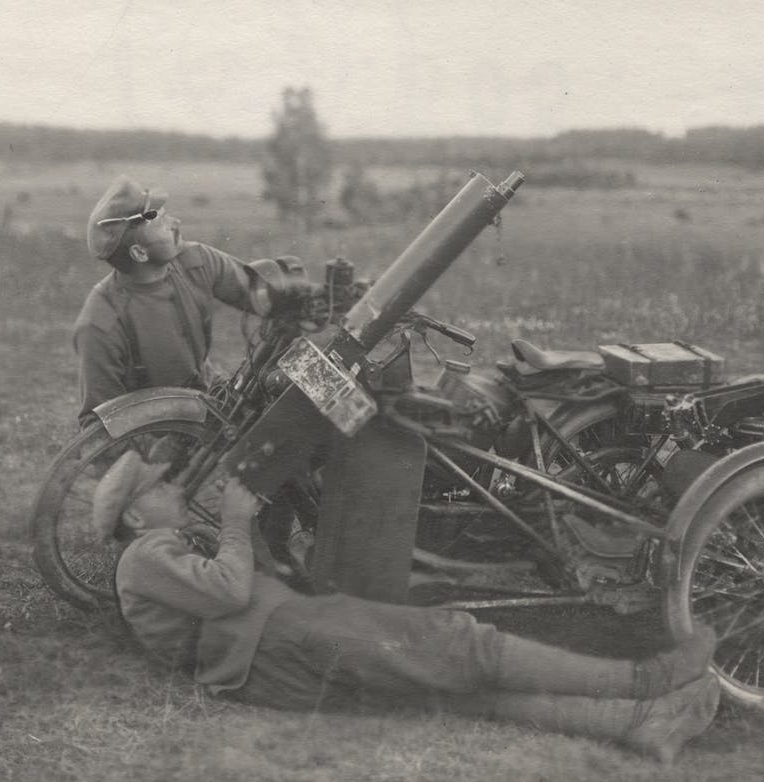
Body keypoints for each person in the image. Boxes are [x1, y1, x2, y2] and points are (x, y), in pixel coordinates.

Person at [92, 450, 722, 764]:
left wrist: (256, 531)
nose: (173, 486)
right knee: (456, 645)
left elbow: (248, 578)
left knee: (448, 691)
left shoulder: (163, 550)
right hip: (282, 637)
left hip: (270, 658)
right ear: (131, 514)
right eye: (158, 486)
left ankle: (635, 725)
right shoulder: (143, 556)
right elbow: (231, 589)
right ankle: (646, 681)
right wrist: (234, 521)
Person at [74, 176, 272, 429]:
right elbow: (98, 425)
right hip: (155, 434)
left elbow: (258, 293)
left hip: (211, 401)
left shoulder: (195, 262)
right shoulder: (100, 324)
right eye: (161, 222)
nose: (176, 223)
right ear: (139, 253)